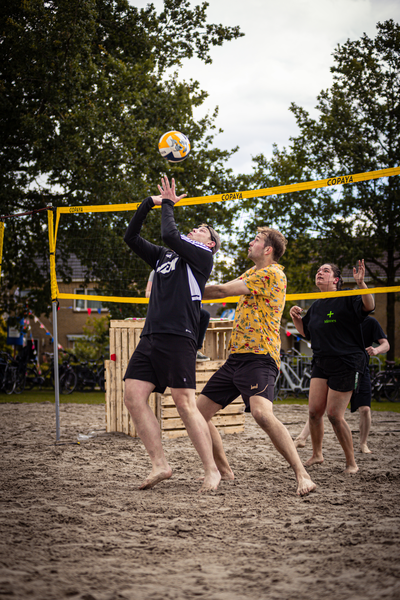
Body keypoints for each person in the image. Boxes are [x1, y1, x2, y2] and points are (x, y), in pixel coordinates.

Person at [196, 227, 316, 496]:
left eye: (257, 240)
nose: (250, 242)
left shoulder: (272, 274)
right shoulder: (251, 273)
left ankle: (302, 474)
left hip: (260, 357)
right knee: (198, 414)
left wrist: (179, 287)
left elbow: (220, 291)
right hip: (236, 358)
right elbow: (217, 288)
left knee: (262, 414)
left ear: (268, 249)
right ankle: (225, 470)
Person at [123, 175, 221, 492]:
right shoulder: (166, 256)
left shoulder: (201, 258)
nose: (194, 230)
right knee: (133, 396)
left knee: (184, 405)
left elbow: (169, 232)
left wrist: (168, 201)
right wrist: (148, 203)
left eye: (201, 231)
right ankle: (160, 464)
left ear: (210, 244)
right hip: (151, 336)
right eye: (194, 228)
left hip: (180, 336)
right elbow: (131, 236)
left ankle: (212, 471)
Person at [289, 261, 375, 474]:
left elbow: (369, 306)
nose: (320, 273)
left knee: (335, 415)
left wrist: (361, 283)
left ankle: (351, 462)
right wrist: (296, 318)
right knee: (313, 412)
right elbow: (306, 333)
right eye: (318, 270)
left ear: (336, 279)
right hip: (322, 361)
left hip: (347, 362)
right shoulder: (317, 306)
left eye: (325, 270)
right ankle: (317, 455)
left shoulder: (347, 298)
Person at [294, 316, 389, 453]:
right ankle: (302, 438)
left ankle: (363, 443)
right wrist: (298, 319)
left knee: (365, 409)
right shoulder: (339, 317)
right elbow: (310, 332)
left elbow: (386, 344)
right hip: (340, 368)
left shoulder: (370, 322)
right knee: (323, 407)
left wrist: (376, 350)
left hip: (360, 368)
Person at [146, 270, 211, 361]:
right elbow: (148, 294)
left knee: (204, 315)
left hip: (182, 308)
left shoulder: (186, 270)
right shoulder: (157, 270)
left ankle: (194, 350)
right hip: (165, 309)